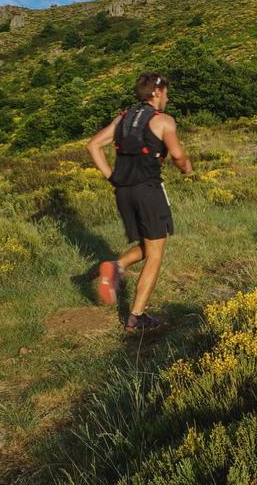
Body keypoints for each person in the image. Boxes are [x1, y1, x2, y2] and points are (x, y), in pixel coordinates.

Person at [86, 72, 193, 333]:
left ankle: (116, 266)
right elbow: (178, 155)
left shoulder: (122, 119)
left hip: (123, 192)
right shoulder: (163, 121)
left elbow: (93, 146)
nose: (167, 98)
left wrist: (112, 177)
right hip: (148, 190)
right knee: (156, 254)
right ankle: (136, 317)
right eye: (166, 93)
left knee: (148, 243)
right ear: (156, 93)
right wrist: (187, 168)